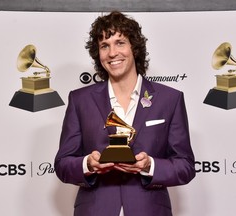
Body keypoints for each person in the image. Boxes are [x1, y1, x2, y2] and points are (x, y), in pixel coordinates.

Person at [54, 11, 195, 216]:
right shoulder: (80, 100)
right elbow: (63, 164)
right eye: (104, 46)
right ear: (98, 54)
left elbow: (185, 166)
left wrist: (150, 165)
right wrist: (88, 164)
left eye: (120, 43)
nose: (112, 53)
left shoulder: (170, 99)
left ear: (134, 48)